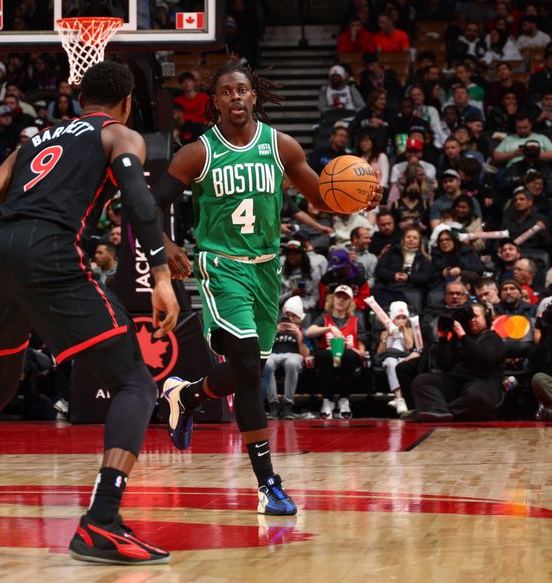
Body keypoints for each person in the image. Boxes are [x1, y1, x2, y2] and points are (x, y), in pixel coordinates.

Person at [0, 61, 179, 565]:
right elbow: (138, 200)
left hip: (0, 252)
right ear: (124, 103)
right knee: (135, 383)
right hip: (48, 250)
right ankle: (102, 520)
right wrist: (161, 275)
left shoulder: (33, 141)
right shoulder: (121, 134)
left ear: (80, 100)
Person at [152, 60, 382, 515]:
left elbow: (320, 196)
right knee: (246, 366)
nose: (236, 97)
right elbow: (147, 206)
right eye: (227, 92)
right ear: (215, 101)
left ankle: (186, 394)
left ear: (254, 96)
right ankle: (268, 484)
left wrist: (355, 196)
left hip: (265, 270)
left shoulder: (280, 145)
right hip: (221, 266)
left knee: (243, 372)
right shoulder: (196, 153)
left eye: (242, 90)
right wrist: (165, 245)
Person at [410, 302, 505, 421]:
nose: (472, 320)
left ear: (486, 319)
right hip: (458, 381)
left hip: (484, 382)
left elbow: (482, 360)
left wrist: (463, 336)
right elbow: (445, 365)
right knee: (422, 381)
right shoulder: (458, 338)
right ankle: (441, 412)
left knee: (478, 397)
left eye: (475, 316)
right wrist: (443, 338)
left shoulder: (493, 338)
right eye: (469, 317)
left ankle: (440, 411)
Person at [305, 285, 367, 419]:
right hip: (327, 355)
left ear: (350, 303)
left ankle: (344, 400)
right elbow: (309, 332)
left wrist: (350, 348)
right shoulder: (324, 318)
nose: (341, 300)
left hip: (349, 356)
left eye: (345, 298)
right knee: (324, 355)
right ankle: (328, 400)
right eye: (338, 296)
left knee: (350, 355)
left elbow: (362, 353)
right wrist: (328, 329)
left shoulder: (356, 321)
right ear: (333, 299)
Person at [262, 296, 309, 420]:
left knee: (292, 363)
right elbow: (263, 348)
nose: (290, 319)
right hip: (273, 354)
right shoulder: (275, 328)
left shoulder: (303, 331)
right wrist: (273, 332)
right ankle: (273, 404)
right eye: (288, 315)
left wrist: (299, 334)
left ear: (300, 318)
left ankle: (288, 404)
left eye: (294, 316)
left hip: (293, 355)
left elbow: (306, 355)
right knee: (266, 363)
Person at [377, 301, 417, 416]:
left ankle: (399, 399)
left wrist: (403, 331)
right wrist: (385, 338)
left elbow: (409, 347)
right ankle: (399, 397)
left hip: (403, 356)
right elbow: (379, 352)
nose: (401, 320)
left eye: (404, 318)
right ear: (392, 319)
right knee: (391, 362)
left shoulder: (409, 331)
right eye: (398, 318)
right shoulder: (385, 332)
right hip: (389, 356)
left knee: (401, 364)